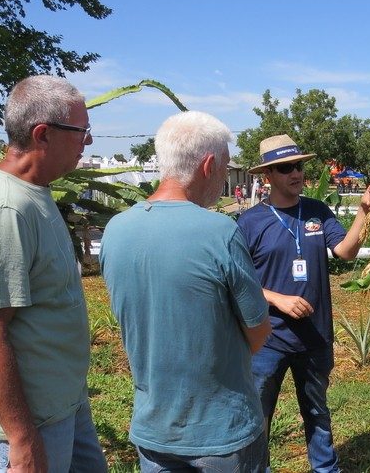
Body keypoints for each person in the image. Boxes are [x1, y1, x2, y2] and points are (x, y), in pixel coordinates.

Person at [0, 75, 106, 473]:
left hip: (62, 403)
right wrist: (20, 438)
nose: (89, 142)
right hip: (32, 423)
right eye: (83, 132)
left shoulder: (35, 191)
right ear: (43, 135)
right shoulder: (3, 211)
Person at [100, 111, 271, 472]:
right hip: (221, 431)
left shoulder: (116, 230)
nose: (224, 178)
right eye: (225, 168)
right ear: (208, 165)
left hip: (153, 427)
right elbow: (257, 333)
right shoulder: (219, 232)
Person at [237, 134, 370, 472]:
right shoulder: (249, 223)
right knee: (259, 416)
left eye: (299, 166)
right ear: (268, 176)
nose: (296, 173)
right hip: (267, 340)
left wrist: (364, 212)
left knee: (317, 411)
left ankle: (325, 468)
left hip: (314, 337)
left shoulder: (317, 212)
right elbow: (237, 280)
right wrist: (277, 299)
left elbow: (345, 251)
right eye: (285, 168)